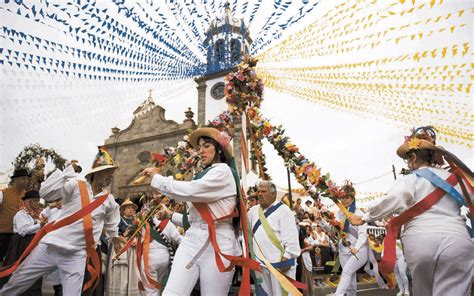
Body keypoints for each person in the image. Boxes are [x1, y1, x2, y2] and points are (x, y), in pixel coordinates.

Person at [349, 126, 473, 295]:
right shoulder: (456, 179)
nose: (408, 164)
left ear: (413, 157)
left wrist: (365, 216)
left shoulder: (411, 179)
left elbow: (392, 198)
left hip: (421, 241)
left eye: (408, 159)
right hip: (457, 239)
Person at [0, 149, 122, 296]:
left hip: (77, 254)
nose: (111, 175)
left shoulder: (109, 201)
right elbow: (46, 193)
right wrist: (66, 172)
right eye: (108, 171)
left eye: (112, 172)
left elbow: (111, 224)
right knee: (16, 283)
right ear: (97, 173)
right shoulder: (76, 185)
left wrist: (115, 239)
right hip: (51, 246)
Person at [141, 127, 246, 296]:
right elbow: (192, 219)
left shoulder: (223, 171)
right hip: (192, 239)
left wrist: (157, 179)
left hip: (219, 242)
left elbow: (192, 190)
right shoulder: (204, 174)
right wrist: (170, 215)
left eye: (206, 146)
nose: (201, 151)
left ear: (219, 149)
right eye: (199, 147)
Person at [247, 180, 301, 296]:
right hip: (261, 265)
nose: (259, 194)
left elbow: (291, 238)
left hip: (280, 266)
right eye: (258, 191)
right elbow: (246, 230)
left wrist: (288, 257)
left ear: (273, 194)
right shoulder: (253, 211)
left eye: (263, 191)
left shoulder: (284, 211)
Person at [319, 182, 368, 296]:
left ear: (352, 198)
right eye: (342, 197)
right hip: (343, 249)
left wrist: (356, 248)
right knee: (350, 281)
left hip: (358, 250)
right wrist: (321, 220)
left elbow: (363, 234)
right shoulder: (340, 213)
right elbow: (333, 230)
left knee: (346, 272)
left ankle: (338, 294)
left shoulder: (358, 213)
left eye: (347, 197)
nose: (344, 200)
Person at [3, 190, 46, 296]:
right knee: (22, 269)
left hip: (34, 242)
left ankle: (34, 291)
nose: (37, 203)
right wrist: (39, 226)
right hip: (22, 244)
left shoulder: (37, 214)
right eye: (35, 201)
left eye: (38, 200)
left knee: (35, 267)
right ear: (29, 202)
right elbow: (23, 231)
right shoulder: (21, 214)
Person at [106, 199, 141, 296]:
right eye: (128, 208)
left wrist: (135, 241)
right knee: (121, 270)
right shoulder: (119, 220)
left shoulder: (136, 221)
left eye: (133, 208)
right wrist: (127, 241)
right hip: (121, 246)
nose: (131, 210)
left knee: (132, 269)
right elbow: (115, 234)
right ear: (123, 210)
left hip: (133, 247)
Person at [0, 168, 30, 263]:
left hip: (19, 235)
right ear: (15, 179)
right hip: (3, 233)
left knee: (13, 261)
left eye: (26, 179)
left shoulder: (27, 196)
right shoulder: (3, 193)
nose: (25, 181)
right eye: (23, 178)